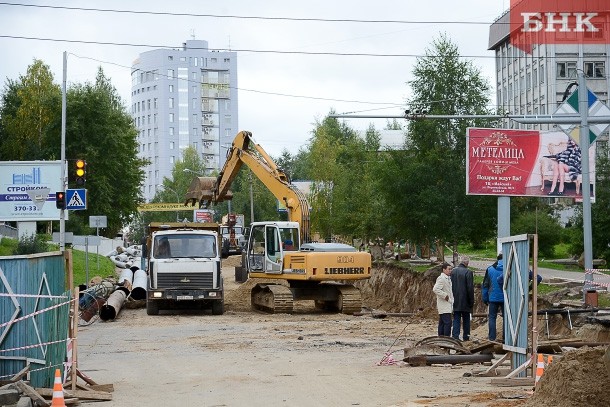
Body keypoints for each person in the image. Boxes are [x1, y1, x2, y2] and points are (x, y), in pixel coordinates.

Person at [451, 256, 474, 341]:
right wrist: (471, 301)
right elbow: (470, 288)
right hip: (465, 300)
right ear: (467, 263)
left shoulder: (453, 271)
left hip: (455, 299)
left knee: (456, 318)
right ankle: (466, 337)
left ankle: (455, 336)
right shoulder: (468, 272)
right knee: (466, 319)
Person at [482, 254, 504, 341]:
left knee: (492, 318)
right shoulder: (509, 268)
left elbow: (485, 285)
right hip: (505, 298)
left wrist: (485, 298)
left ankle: (492, 338)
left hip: (493, 297)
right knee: (506, 318)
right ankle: (505, 338)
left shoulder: (490, 269)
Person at [432, 262, 454, 337]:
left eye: (451, 269)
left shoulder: (448, 278)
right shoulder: (441, 278)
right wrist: (445, 296)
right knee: (447, 323)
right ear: (444, 270)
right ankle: (446, 338)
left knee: (442, 322)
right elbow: (435, 289)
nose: (450, 270)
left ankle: (441, 337)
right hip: (444, 304)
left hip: (447, 304)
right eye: (449, 269)